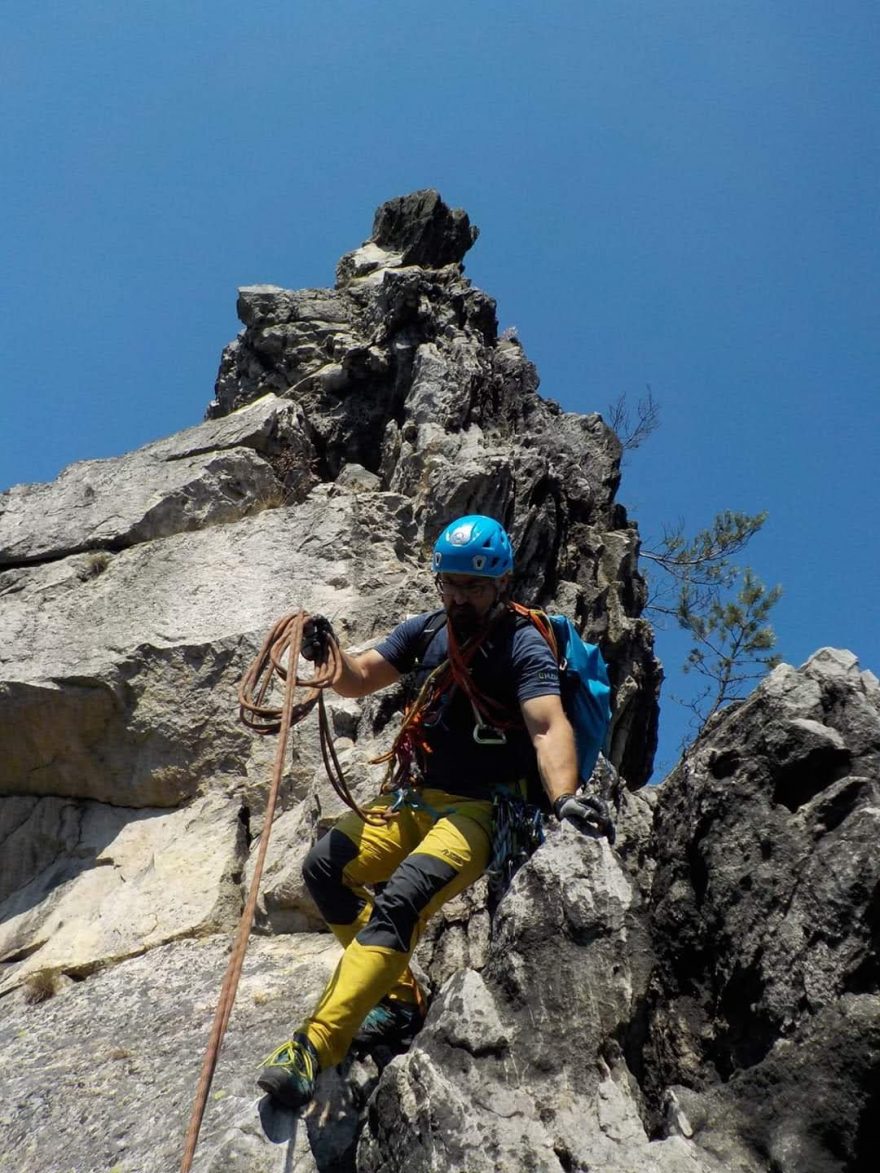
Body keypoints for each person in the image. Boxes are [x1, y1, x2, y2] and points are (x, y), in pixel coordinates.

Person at [257, 514, 613, 1109]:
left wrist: (565, 800)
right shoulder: (427, 630)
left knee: (401, 899)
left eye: (472, 587)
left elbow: (547, 725)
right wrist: (328, 652)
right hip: (416, 797)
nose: (460, 596)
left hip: (480, 811)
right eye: (451, 583)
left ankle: (314, 1046)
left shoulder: (522, 644)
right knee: (325, 868)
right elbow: (359, 679)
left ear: (500, 583)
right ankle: (398, 1002)